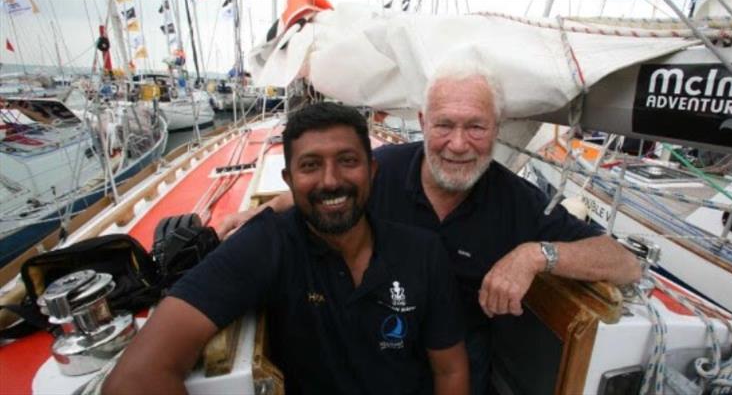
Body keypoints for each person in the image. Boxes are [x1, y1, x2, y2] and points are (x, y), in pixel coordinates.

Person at [219, 60, 641, 394]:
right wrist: (259, 216)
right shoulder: (380, 171)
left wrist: (537, 254)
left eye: (475, 126)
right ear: (422, 122)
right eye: (444, 125)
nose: (458, 144)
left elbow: (624, 264)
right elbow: (310, 196)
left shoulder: (517, 201)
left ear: (497, 129)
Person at [103, 103, 469, 395]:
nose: (331, 180)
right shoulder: (268, 244)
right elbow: (134, 378)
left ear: (372, 171)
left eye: (347, 161)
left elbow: (450, 369)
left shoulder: (422, 252)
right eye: (311, 165)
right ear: (289, 181)